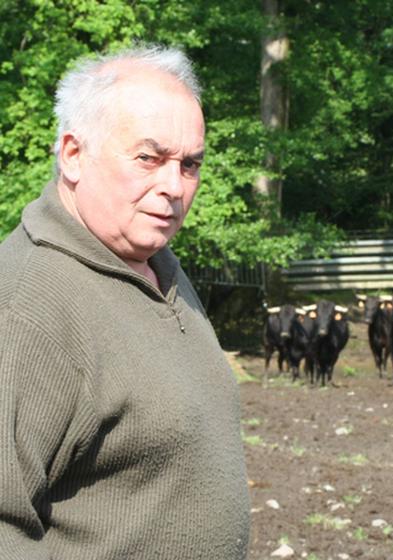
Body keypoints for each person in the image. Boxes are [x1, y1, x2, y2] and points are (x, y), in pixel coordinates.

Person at [0, 45, 250, 559]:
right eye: (149, 158)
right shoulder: (28, 305)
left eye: (189, 165)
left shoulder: (158, 265)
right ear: (73, 155)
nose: (174, 186)